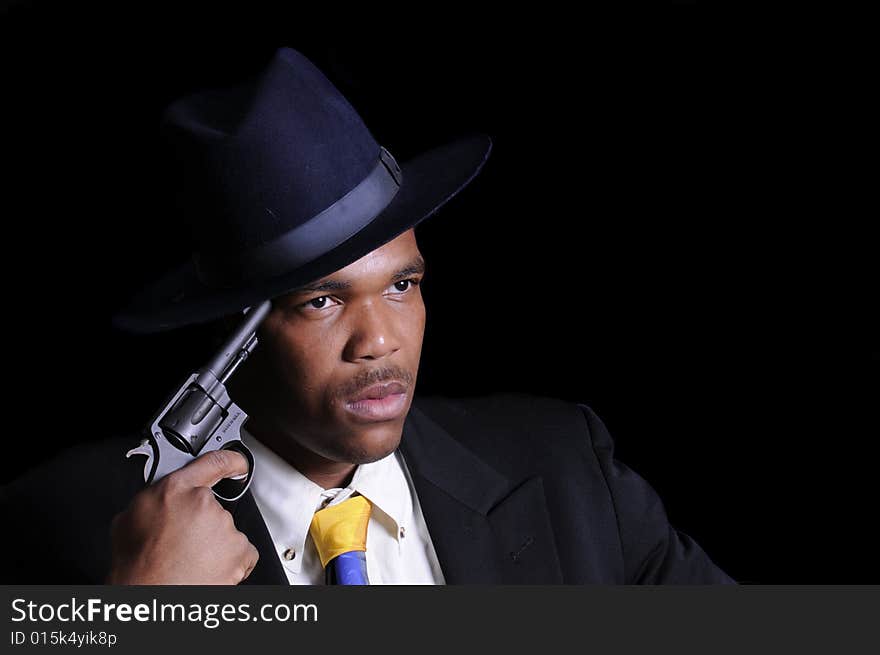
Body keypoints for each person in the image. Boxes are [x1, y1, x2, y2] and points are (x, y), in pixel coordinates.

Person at [0, 47, 735, 585]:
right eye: (320, 300)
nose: (380, 340)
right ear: (231, 339)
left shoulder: (569, 471)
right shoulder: (52, 532)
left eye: (401, 285)